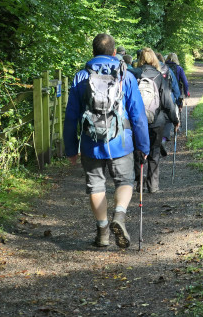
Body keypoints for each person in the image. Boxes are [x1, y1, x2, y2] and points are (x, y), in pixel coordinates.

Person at [63, 33, 150, 248]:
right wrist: (143, 146)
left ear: (93, 52)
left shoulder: (81, 77)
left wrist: (71, 148)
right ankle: (119, 217)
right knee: (125, 181)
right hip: (121, 142)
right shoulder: (125, 76)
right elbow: (137, 115)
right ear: (114, 52)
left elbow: (71, 116)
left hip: (91, 143)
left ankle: (102, 233)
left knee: (95, 186)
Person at [135, 48, 180, 193]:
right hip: (157, 120)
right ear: (154, 59)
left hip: (137, 120)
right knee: (154, 152)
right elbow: (167, 102)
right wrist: (175, 120)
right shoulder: (159, 76)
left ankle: (139, 184)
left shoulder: (133, 75)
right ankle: (153, 186)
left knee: (137, 151)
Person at [156, 52, 180, 148]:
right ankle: (163, 139)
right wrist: (178, 99)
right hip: (167, 96)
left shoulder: (144, 70)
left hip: (151, 101)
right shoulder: (167, 70)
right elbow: (175, 86)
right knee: (168, 117)